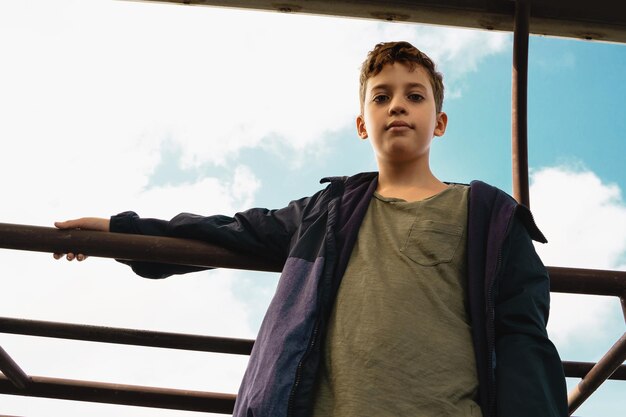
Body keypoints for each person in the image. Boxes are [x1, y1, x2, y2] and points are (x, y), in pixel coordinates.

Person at [55, 41, 567, 417]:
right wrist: (114, 231)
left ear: (440, 121)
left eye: (415, 96)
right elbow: (231, 231)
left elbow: (523, 334)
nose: (397, 106)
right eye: (381, 96)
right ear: (363, 123)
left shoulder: (486, 214)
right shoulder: (329, 210)